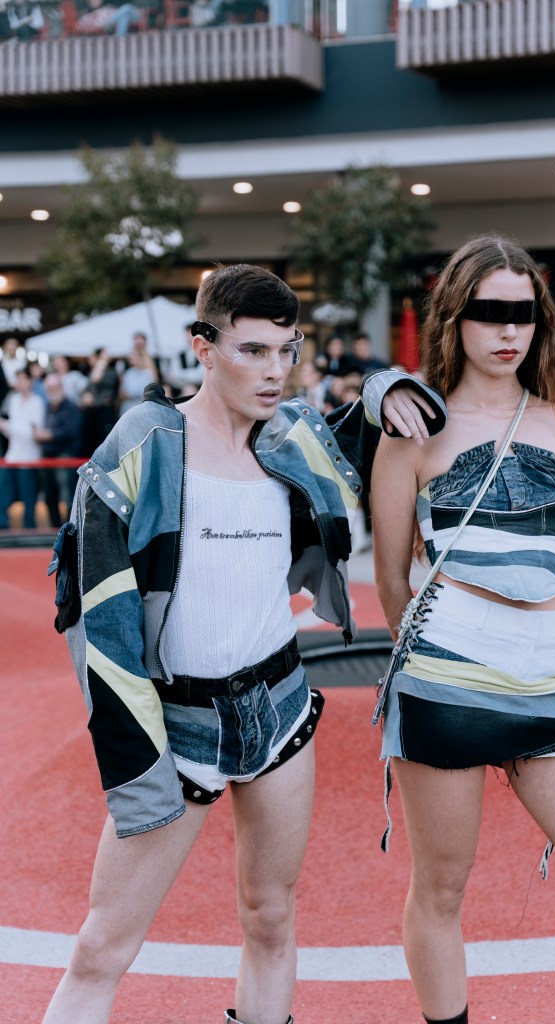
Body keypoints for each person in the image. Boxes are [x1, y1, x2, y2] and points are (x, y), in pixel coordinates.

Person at [42, 263, 444, 1024]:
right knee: (101, 948)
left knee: (270, 916)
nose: (274, 370)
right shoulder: (144, 442)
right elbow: (100, 619)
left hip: (280, 708)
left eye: (286, 351)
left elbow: (357, 430)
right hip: (176, 726)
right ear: (203, 346)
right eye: (252, 350)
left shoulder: (293, 435)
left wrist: (385, 384)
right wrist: (138, 765)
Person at [371, 234, 555, 1024]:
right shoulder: (411, 428)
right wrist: (438, 658)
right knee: (441, 888)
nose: (507, 330)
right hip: (444, 685)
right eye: (487, 312)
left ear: (540, 322)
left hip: (547, 686)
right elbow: (390, 578)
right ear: (453, 318)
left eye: (522, 314)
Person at [33, 373, 83, 528]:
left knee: (67, 494)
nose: (52, 391)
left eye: (55, 387)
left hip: (65, 455)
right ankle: (54, 528)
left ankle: (70, 529)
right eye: (49, 388)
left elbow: (71, 431)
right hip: (48, 455)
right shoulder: (46, 407)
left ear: (61, 387)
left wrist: (49, 435)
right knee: (49, 495)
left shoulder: (72, 407)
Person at [0, 366, 45, 528]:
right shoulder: (13, 400)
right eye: (17, 379)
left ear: (30, 381)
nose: (19, 382)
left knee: (29, 499)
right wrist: (8, 427)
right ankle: (3, 529)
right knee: (3, 495)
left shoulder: (38, 402)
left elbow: (33, 433)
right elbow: (19, 431)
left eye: (22, 379)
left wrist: (7, 426)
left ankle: (29, 530)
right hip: (12, 456)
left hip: (29, 459)